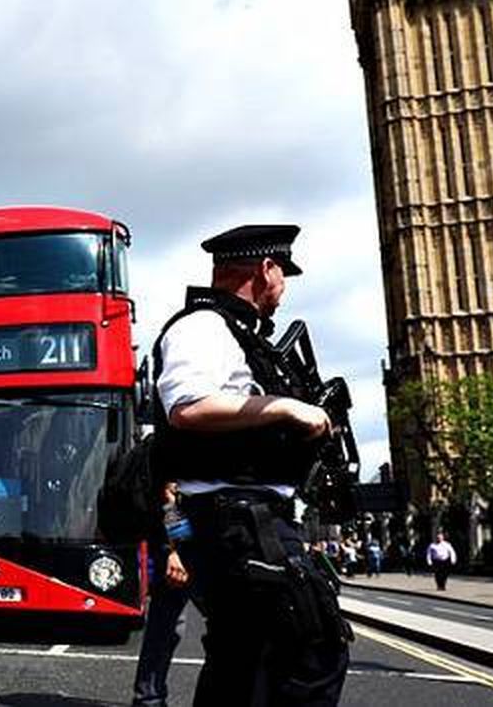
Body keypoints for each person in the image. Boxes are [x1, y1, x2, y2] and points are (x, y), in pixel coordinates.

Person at [152, 224, 350, 706]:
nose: (283, 290)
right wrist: (285, 408)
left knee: (245, 664)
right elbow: (188, 407)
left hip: (250, 517)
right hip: (234, 519)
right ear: (265, 270)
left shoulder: (242, 335)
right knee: (312, 646)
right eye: (283, 273)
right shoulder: (201, 325)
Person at [131, 482, 194, 707]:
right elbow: (168, 497)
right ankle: (149, 698)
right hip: (185, 546)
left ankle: (149, 696)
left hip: (212, 542)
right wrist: (174, 550)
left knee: (169, 626)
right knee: (166, 626)